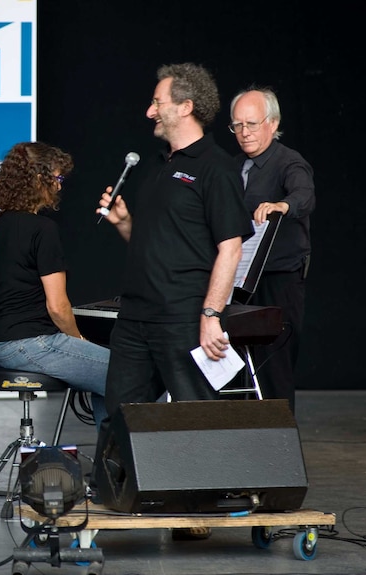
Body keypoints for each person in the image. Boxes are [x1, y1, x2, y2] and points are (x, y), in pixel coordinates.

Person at [95, 63, 253, 539]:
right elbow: (159, 245)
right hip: (137, 314)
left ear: (185, 107)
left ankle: (196, 512)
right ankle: (120, 498)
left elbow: (231, 246)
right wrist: (125, 224)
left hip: (184, 314)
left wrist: (211, 314)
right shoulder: (162, 169)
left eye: (157, 102)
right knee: (121, 409)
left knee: (191, 409)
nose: (150, 111)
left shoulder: (216, 169)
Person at [0, 141, 109, 431]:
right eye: (57, 178)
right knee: (124, 373)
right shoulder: (43, 229)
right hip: (31, 342)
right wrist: (78, 339)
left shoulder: (2, 223)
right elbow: (57, 307)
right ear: (39, 178)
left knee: (104, 376)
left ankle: (112, 458)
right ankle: (117, 462)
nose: (60, 186)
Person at [229, 87, 315, 413]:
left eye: (251, 124)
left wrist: (283, 204)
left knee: (274, 363)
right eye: (237, 125)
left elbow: (304, 195)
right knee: (233, 362)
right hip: (238, 279)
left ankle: (277, 443)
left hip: (277, 279)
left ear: (272, 123)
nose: (244, 132)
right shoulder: (233, 166)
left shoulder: (288, 162)